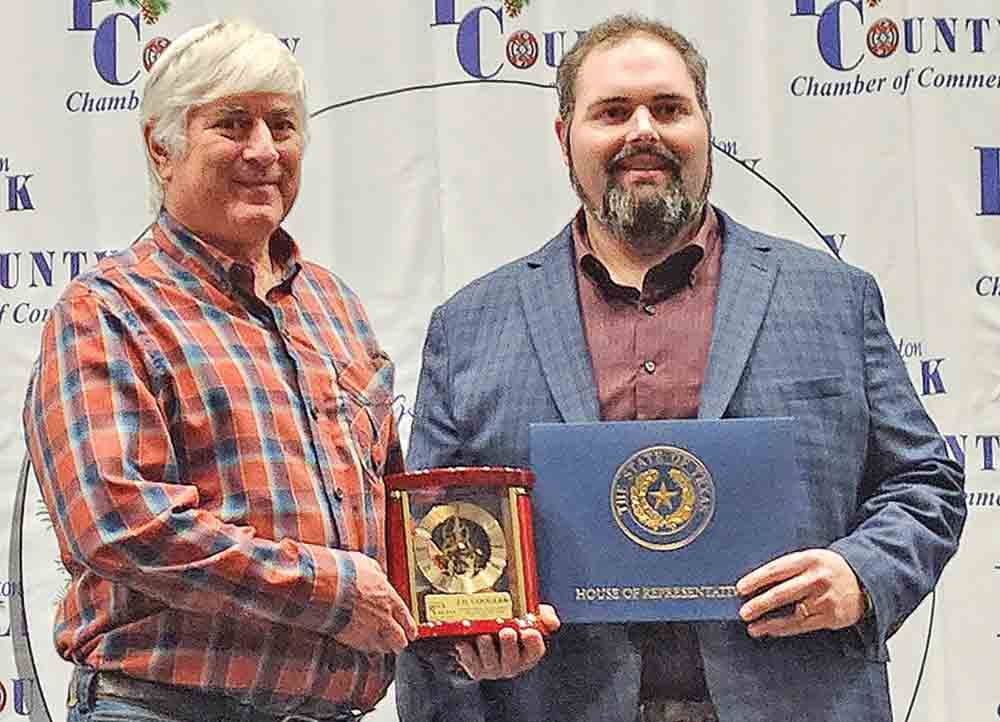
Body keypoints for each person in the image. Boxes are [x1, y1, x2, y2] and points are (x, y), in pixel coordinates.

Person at [394, 13, 966, 722]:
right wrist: (469, 638)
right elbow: (431, 541)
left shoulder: (832, 297)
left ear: (705, 127)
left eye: (669, 108)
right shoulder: (471, 326)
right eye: (611, 111)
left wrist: (861, 573)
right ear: (564, 136)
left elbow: (925, 481)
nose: (643, 131)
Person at [22, 20, 419, 722]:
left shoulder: (334, 306)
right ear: (161, 147)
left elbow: (391, 514)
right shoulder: (107, 311)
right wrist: (329, 593)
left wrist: (467, 620)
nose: (264, 151)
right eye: (233, 124)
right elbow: (119, 522)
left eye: (283, 125)